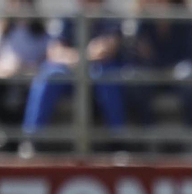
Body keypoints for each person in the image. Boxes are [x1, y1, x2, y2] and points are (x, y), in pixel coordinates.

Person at [20, 0, 127, 140]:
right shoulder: (66, 17)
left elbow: (107, 49)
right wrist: (83, 56)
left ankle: (118, 141)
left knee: (107, 75)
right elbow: (54, 52)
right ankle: (31, 139)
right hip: (70, 73)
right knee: (49, 74)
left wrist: (76, 56)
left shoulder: (111, 18)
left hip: (97, 76)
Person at [132, 0, 192, 128]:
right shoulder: (144, 19)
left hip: (180, 69)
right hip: (154, 70)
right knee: (135, 80)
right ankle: (149, 136)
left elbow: (190, 53)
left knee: (188, 78)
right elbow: (139, 55)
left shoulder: (184, 15)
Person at [0, 0, 49, 125]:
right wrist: (5, 72)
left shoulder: (43, 34)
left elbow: (47, 63)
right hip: (4, 80)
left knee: (36, 93)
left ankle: (24, 136)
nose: (19, 6)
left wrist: (25, 70)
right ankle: (11, 135)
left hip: (29, 81)